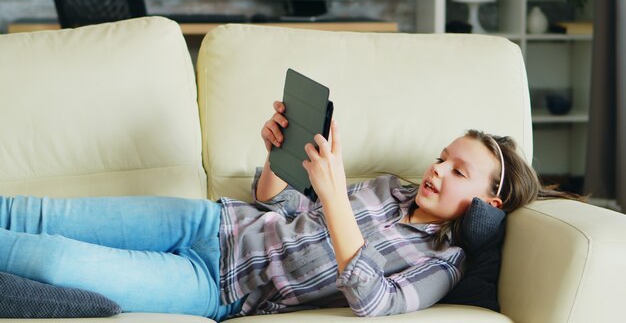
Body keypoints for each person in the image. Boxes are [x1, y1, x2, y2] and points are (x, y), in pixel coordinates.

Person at [0, 101, 578, 321]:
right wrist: (278, 154)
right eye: (440, 158)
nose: (436, 170)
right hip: (210, 221)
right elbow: (276, 203)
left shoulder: (441, 261)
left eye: (458, 171)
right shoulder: (386, 190)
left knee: (50, 261)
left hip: (219, 285)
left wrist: (330, 195)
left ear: (489, 202)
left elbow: (376, 301)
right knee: (38, 214)